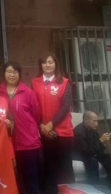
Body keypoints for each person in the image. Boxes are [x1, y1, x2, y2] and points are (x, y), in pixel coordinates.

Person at [32, 52, 75, 194]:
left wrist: (51, 124)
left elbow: (66, 106)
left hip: (62, 132)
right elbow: (33, 105)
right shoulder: (35, 82)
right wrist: (41, 125)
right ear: (41, 65)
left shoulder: (64, 82)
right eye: (44, 62)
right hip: (44, 131)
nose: (47, 65)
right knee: (47, 167)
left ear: (56, 64)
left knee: (63, 169)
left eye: (50, 62)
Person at [0, 62, 42, 194]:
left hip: (28, 144)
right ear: (4, 73)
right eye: (9, 71)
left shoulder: (28, 92)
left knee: (31, 182)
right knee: (15, 182)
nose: (11, 75)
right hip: (8, 146)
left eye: (15, 72)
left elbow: (36, 115)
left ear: (19, 74)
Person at [74, 111, 111, 194]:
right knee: (92, 162)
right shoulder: (78, 132)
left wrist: (103, 143)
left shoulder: (93, 130)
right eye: (94, 121)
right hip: (81, 155)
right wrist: (101, 141)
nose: (96, 124)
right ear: (86, 120)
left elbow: (97, 147)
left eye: (97, 121)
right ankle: (95, 190)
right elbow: (86, 151)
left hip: (92, 153)